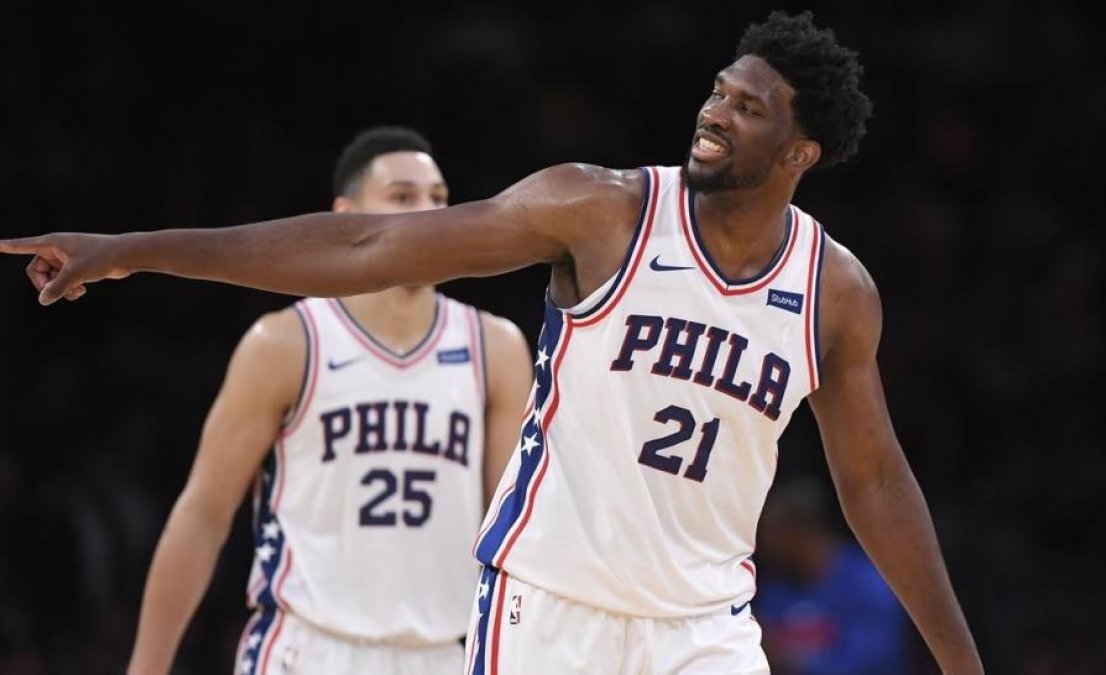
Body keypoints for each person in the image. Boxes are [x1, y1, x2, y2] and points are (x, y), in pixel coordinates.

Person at [2, 11, 985, 674]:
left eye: (749, 107)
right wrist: (137, 251)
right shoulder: (601, 211)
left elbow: (874, 482)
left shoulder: (835, 291)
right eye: (720, 91)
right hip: (548, 610)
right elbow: (370, 242)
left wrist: (961, 663)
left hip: (704, 630)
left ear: (800, 152)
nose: (716, 111)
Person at [122, 127, 533, 675]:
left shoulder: (495, 347)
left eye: (438, 199)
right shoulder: (287, 343)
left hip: (441, 653)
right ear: (345, 216)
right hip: (306, 648)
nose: (430, 213)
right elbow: (202, 514)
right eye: (403, 197)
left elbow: (512, 536)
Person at [755, 477, 909, 674]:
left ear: (800, 532)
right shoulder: (775, 587)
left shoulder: (866, 582)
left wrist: (789, 661)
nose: (765, 545)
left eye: (774, 535)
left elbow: (872, 660)